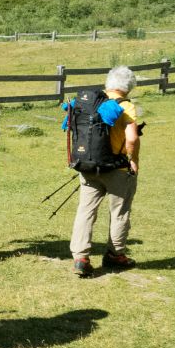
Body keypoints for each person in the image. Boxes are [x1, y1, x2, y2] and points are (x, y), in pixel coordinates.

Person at [70, 66, 141, 277]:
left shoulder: (88, 103)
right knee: (119, 212)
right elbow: (132, 138)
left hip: (88, 165)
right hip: (117, 168)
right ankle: (115, 254)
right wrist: (134, 160)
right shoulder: (126, 106)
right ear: (129, 87)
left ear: (107, 83)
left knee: (86, 210)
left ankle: (80, 257)